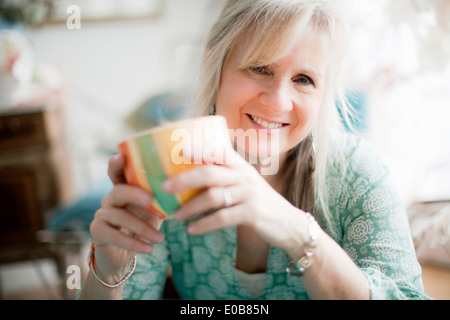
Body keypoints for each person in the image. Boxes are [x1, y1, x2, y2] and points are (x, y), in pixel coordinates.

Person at [78, 0, 429, 300]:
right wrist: (109, 273)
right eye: (260, 68)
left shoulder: (359, 177)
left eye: (304, 79)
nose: (278, 101)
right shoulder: (172, 169)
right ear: (214, 65)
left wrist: (296, 231)